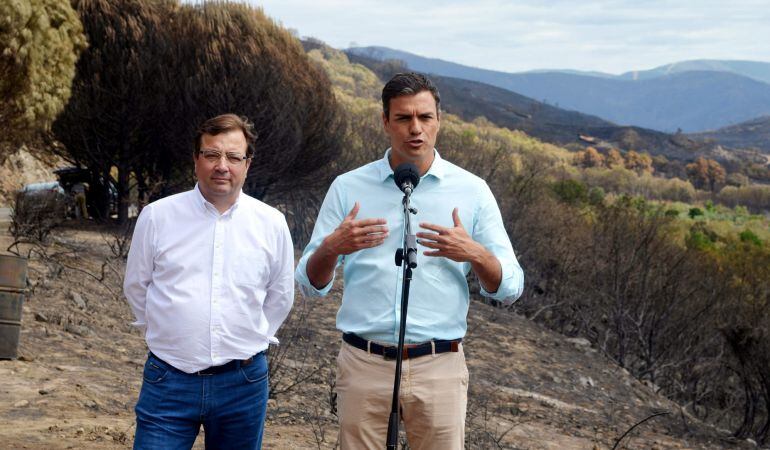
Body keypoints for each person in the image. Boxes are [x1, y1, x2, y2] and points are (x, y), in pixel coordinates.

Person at [295, 73, 524, 449]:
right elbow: (308, 284)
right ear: (385, 122)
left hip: (439, 365)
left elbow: (510, 288)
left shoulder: (472, 191)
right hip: (364, 363)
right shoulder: (349, 187)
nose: (415, 128)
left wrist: (476, 254)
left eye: (425, 117)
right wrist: (331, 247)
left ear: (439, 120)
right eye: (403, 118)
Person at [124, 114, 294, 449]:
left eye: (233, 157)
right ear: (196, 159)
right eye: (212, 155)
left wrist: (251, 340)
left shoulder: (271, 223)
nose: (222, 166)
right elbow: (136, 287)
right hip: (168, 379)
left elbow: (280, 295)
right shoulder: (157, 217)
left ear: (248, 163)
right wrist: (171, 336)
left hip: (243, 384)